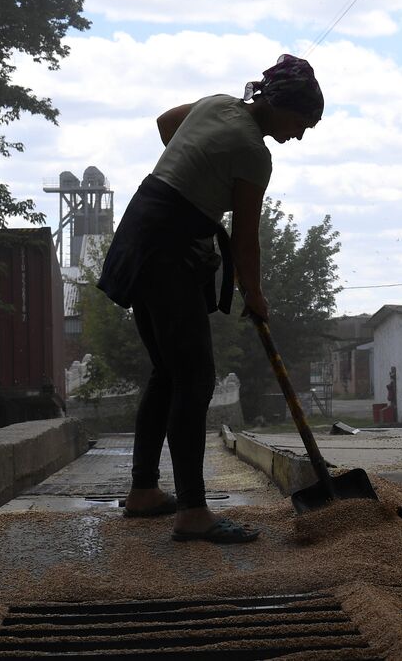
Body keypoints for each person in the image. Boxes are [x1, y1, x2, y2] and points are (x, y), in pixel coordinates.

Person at [97, 54, 323, 544]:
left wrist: (196, 181)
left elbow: (166, 123)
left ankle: (143, 493)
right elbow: (245, 238)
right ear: (280, 105)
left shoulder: (217, 104)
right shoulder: (253, 154)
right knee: (195, 380)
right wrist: (255, 295)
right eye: (302, 122)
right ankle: (193, 513)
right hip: (168, 249)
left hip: (142, 227)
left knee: (168, 372)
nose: (301, 134)